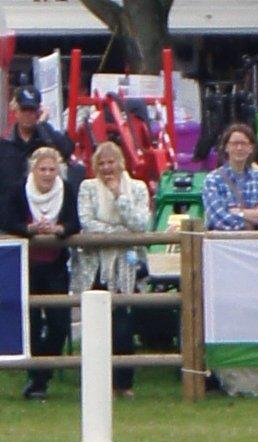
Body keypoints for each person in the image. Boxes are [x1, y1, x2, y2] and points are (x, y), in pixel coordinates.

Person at [0, 146, 80, 400]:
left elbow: (75, 222)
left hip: (56, 264)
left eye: (51, 169)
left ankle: (42, 374)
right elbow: (8, 221)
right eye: (42, 169)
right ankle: (37, 381)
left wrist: (59, 229)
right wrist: (30, 228)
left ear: (58, 170)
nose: (47, 174)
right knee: (31, 324)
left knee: (59, 323)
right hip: (28, 266)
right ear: (33, 170)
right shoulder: (18, 190)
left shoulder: (67, 190)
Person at [74, 141, 151, 397]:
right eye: (102, 163)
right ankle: (96, 383)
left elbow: (141, 224)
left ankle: (123, 384)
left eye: (112, 162)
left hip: (127, 268)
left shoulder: (137, 188)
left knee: (124, 327)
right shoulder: (88, 188)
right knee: (96, 327)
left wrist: (120, 198)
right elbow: (86, 222)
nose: (107, 168)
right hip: (96, 267)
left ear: (121, 163)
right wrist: (119, 232)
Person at [202, 123, 258, 231]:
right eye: (234, 143)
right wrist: (251, 221)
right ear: (226, 147)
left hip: (256, 243)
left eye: (243, 143)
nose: (239, 148)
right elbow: (218, 219)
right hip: (223, 244)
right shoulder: (213, 180)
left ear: (251, 148)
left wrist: (238, 212)